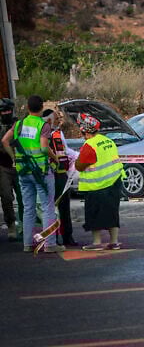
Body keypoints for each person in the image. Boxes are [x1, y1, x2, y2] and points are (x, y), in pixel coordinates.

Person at [1, 95, 64, 253]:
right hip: (41, 170)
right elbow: (43, 148)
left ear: (27, 108)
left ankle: (27, 244)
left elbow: (4, 141)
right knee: (47, 207)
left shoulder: (18, 124)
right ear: (42, 107)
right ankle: (50, 244)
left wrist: (14, 157)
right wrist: (54, 158)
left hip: (23, 171)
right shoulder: (43, 125)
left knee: (28, 208)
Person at [75, 113, 126, 251]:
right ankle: (114, 242)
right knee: (112, 213)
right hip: (115, 182)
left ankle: (97, 243)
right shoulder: (108, 141)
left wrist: (76, 160)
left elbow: (79, 166)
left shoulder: (89, 145)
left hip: (97, 186)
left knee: (94, 214)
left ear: (84, 131)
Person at [43, 109, 79, 246]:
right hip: (48, 174)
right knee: (50, 209)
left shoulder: (59, 134)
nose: (59, 121)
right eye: (57, 119)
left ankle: (67, 236)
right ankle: (53, 238)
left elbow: (64, 150)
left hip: (61, 174)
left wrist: (76, 155)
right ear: (49, 119)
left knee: (64, 206)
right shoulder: (41, 133)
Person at [0, 98, 21, 241]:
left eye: (8, 110)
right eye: (3, 111)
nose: (6, 113)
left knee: (23, 197)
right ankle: (11, 225)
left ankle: (25, 224)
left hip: (19, 166)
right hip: (3, 166)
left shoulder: (18, 124)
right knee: (6, 197)